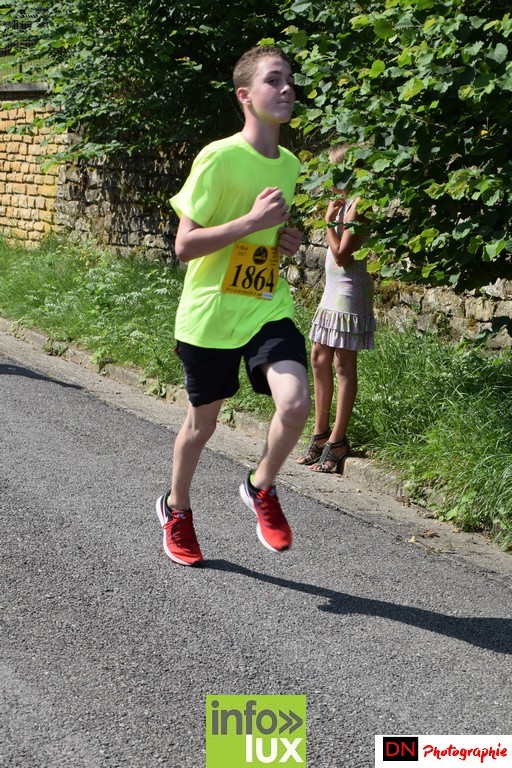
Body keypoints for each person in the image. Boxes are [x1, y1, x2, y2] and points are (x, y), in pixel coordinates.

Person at [156, 45, 311, 566]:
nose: (287, 88)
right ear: (245, 95)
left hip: (265, 304)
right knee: (202, 426)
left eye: (290, 80)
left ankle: (261, 485)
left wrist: (283, 241)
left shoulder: (290, 164)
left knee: (294, 403)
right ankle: (177, 508)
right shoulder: (218, 157)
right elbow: (184, 246)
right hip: (211, 313)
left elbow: (266, 236)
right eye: (274, 80)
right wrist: (250, 222)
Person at [296, 144, 375, 473]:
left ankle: (338, 441)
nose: (330, 178)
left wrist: (328, 223)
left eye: (335, 170)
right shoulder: (344, 204)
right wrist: (332, 217)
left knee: (343, 364)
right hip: (333, 290)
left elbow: (342, 255)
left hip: (349, 291)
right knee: (318, 356)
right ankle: (320, 434)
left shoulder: (359, 206)